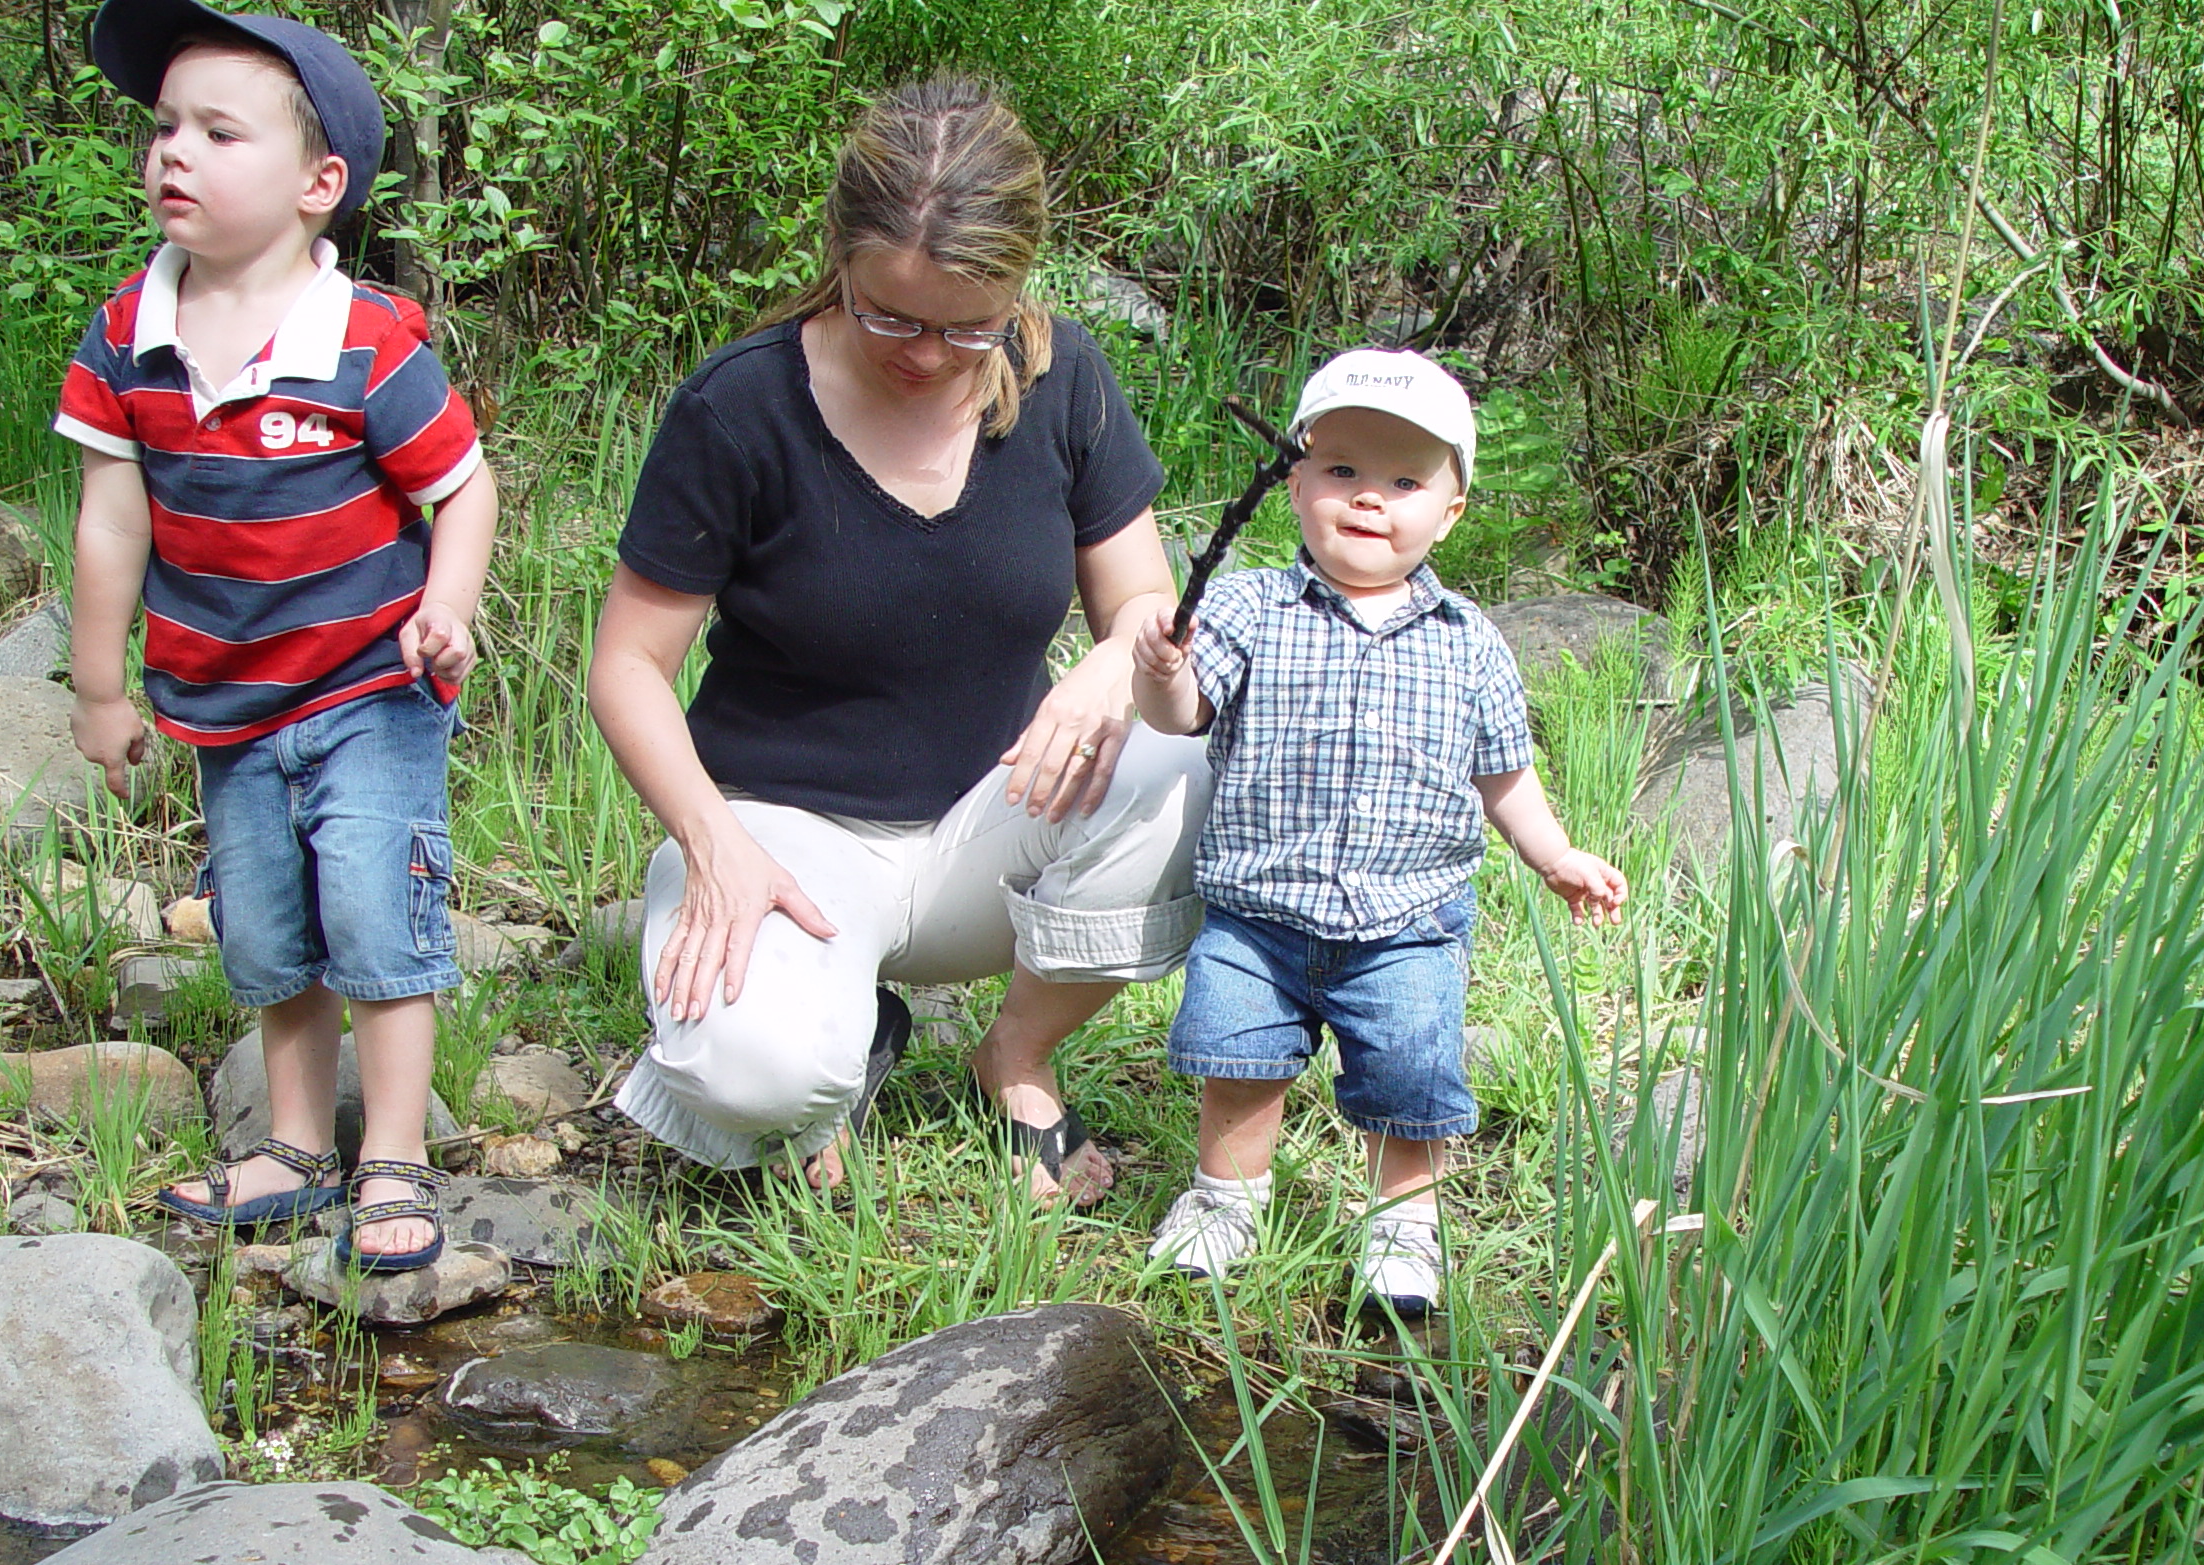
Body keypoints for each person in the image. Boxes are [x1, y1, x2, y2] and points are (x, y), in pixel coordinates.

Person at [588, 77, 1206, 1198]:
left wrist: (1114, 663)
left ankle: (1015, 1054)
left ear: (1021, 281)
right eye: (890, 315)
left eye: (968, 326)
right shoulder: (739, 409)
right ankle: (841, 1044)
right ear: (839, 255)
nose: (925, 353)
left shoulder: (1064, 379)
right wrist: (713, 840)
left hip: (994, 826)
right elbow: (627, 665)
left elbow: (1143, 605)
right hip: (783, 838)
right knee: (752, 1080)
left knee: (1194, 750)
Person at [57, 0, 498, 1272]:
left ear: (320, 184)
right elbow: (111, 526)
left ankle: (395, 1152)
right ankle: (297, 1144)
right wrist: (99, 688)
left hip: (372, 685)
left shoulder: (361, 341)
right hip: (223, 697)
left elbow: (460, 485)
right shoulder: (127, 339)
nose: (173, 155)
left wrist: (446, 602)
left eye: (216, 131)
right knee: (263, 928)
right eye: (163, 129)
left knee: (375, 909)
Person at [1131, 350, 1628, 1314]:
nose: (1369, 500)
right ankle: (1227, 1199)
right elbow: (1181, 713)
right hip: (1257, 914)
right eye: (1343, 471)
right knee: (1237, 1061)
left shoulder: (1467, 640)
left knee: (1410, 1071)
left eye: (1404, 482)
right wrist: (1160, 667)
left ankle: (1403, 1223)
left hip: (1408, 921)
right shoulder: (1245, 608)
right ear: (1296, 483)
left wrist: (1554, 852)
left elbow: (1504, 774)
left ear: (1448, 512)